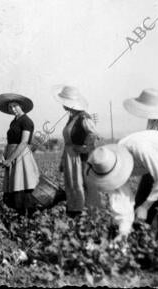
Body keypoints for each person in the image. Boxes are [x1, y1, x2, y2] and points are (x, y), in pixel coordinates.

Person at [85, 130, 158, 242]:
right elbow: (121, 198)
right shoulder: (111, 165)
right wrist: (123, 231)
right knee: (140, 200)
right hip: (153, 160)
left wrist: (145, 207)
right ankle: (143, 240)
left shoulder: (140, 149)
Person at [53, 86, 101, 217]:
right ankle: (74, 212)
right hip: (70, 157)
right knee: (72, 184)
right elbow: (68, 141)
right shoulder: (72, 117)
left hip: (81, 158)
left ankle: (90, 215)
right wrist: (63, 160)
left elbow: (93, 135)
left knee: (84, 184)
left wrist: (83, 148)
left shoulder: (84, 117)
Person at [0, 93, 41, 215]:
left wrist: (10, 159)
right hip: (11, 154)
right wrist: (4, 156)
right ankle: (17, 215)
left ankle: (27, 216)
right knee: (14, 186)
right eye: (10, 107)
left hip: (21, 156)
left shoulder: (26, 121)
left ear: (21, 106)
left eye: (15, 106)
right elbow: (10, 142)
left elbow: (24, 142)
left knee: (22, 185)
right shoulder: (13, 122)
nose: (13, 109)